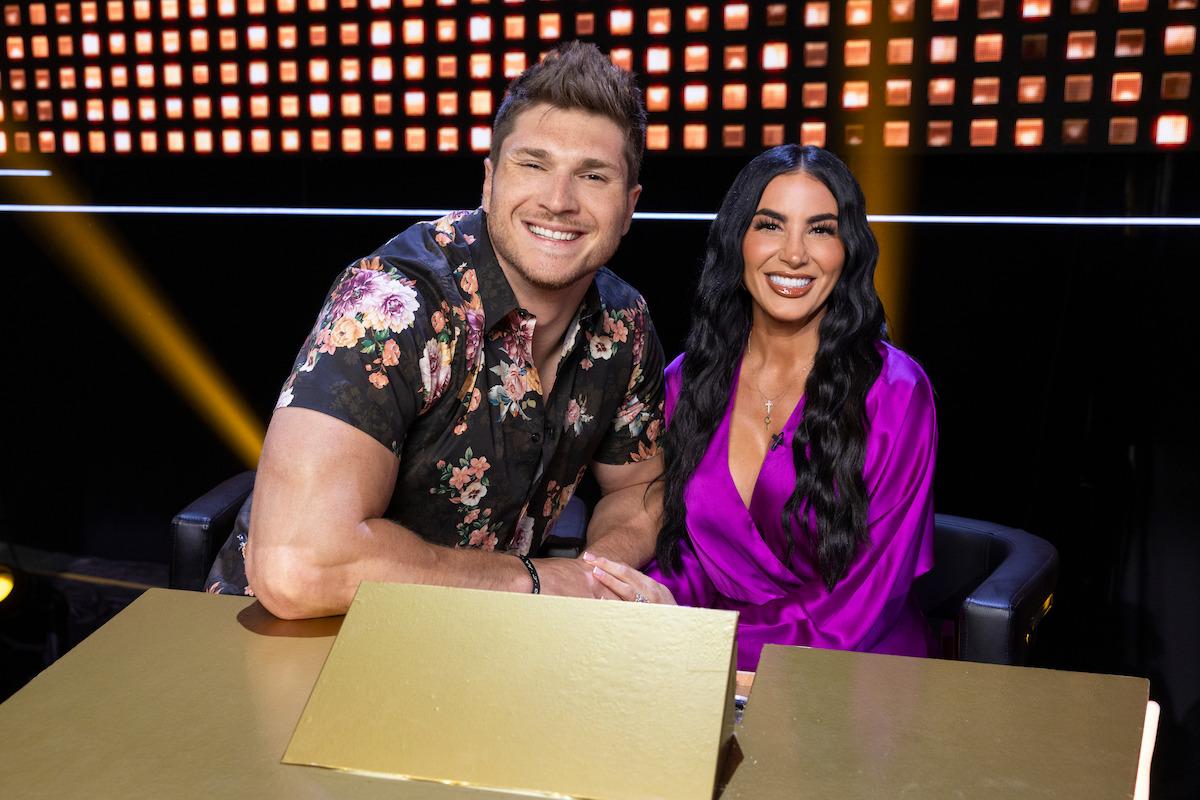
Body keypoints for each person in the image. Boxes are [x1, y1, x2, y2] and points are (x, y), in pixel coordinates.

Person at [205, 41, 666, 619]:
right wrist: (538, 582)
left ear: (629, 206)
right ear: (490, 180)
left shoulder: (625, 324)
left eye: (593, 175)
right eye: (534, 164)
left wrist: (596, 580)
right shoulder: (393, 303)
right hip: (295, 637)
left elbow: (638, 488)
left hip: (468, 638)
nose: (558, 200)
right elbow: (297, 570)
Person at [586, 145, 938, 671]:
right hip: (703, 659)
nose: (795, 254)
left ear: (849, 250)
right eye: (771, 225)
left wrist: (699, 636)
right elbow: (690, 558)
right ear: (738, 242)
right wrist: (643, 599)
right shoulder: (686, 382)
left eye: (821, 229)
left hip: (854, 670)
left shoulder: (897, 393)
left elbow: (862, 605)